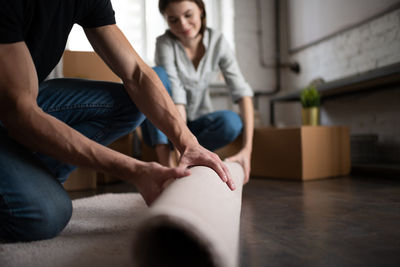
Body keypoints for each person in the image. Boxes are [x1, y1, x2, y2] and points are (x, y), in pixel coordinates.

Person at [0, 0, 234, 242]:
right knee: (46, 214)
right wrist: (136, 170)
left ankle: (37, 175)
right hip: (14, 106)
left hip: (25, 100)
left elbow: (136, 73)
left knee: (135, 101)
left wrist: (189, 143)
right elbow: (19, 112)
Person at [141, 0, 254, 182]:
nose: (183, 25)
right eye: (173, 20)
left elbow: (242, 91)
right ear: (166, 20)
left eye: (188, 15)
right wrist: (174, 168)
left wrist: (247, 150)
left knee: (232, 122)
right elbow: (176, 98)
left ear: (201, 10)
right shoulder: (164, 44)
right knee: (156, 75)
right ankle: (167, 166)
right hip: (163, 127)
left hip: (195, 126)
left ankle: (190, 157)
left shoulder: (218, 41)